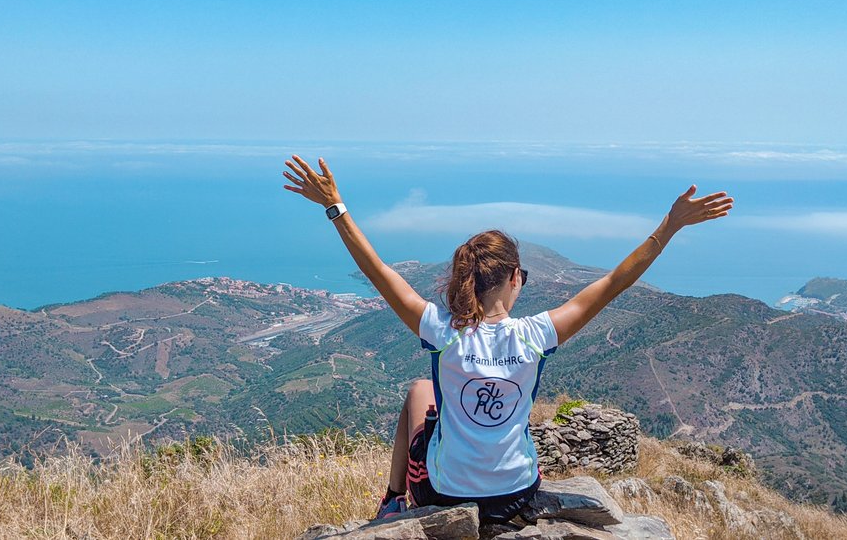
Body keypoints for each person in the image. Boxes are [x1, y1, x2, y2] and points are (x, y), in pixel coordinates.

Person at [282, 154, 732, 523]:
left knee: (419, 390)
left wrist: (335, 206)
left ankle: (393, 499)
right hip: (517, 493)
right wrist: (670, 225)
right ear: (515, 277)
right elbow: (615, 281)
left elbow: (377, 270)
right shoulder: (537, 335)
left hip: (447, 492)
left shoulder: (443, 331)